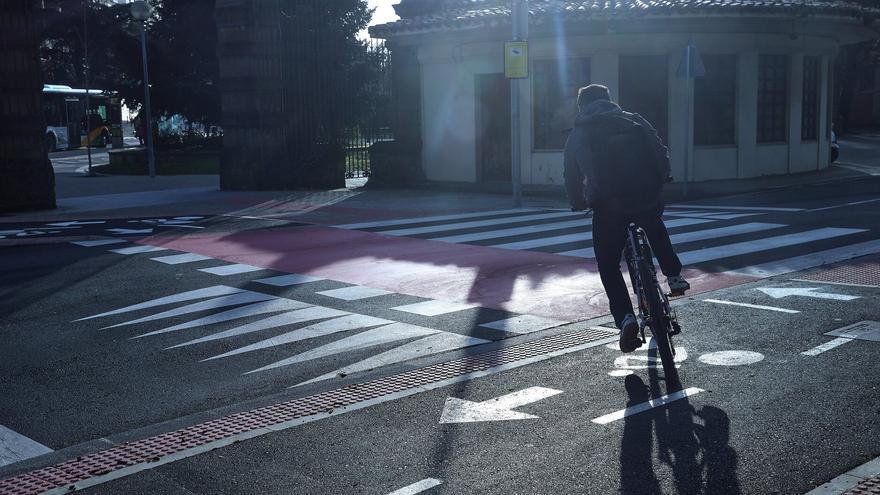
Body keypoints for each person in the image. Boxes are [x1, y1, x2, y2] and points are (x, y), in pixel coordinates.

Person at [563, 84, 690, 353]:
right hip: (645, 195)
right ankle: (674, 275)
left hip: (608, 206)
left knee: (608, 264)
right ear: (609, 100)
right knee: (654, 225)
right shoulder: (633, 119)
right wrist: (662, 177)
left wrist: (577, 201)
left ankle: (625, 318)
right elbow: (658, 148)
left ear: (581, 106)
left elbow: (571, 173)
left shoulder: (579, 131)